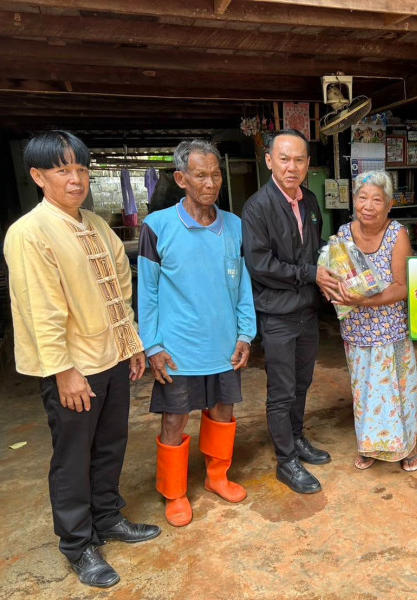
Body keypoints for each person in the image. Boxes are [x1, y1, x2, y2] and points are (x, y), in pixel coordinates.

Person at [4, 131, 159, 588]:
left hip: (110, 357)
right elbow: (41, 308)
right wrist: (63, 371)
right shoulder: (30, 232)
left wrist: (131, 344)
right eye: (62, 170)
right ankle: (77, 544)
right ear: (38, 176)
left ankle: (107, 518)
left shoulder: (94, 223)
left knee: (110, 445)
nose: (76, 180)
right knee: (73, 457)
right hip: (73, 368)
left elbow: (121, 286)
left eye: (81, 170)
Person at [137, 140, 256, 527]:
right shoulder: (157, 227)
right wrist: (152, 345)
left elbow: (243, 286)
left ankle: (217, 476)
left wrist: (246, 334)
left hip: (224, 345)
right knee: (174, 419)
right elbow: (147, 293)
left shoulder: (234, 226)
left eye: (215, 174)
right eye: (200, 175)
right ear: (181, 179)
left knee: (223, 411)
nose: (210, 183)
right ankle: (174, 491)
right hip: (177, 349)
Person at [242, 130, 338, 494]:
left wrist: (335, 262)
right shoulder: (257, 207)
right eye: (284, 159)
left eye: (299, 160)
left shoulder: (310, 201)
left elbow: (313, 251)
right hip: (278, 315)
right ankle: (286, 461)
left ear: (308, 163)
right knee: (281, 390)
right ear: (269, 161)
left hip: (306, 311)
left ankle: (296, 439)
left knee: (302, 383)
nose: (291, 167)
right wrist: (310, 274)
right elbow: (260, 265)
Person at [331, 171, 417, 471]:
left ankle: (406, 447)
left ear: (389, 204)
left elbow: (402, 286)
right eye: (362, 198)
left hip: (390, 328)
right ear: (354, 200)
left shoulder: (397, 234)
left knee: (398, 389)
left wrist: (364, 301)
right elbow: (336, 274)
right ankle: (369, 445)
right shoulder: (343, 234)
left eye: (377, 200)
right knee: (364, 391)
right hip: (356, 329)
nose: (368, 206)